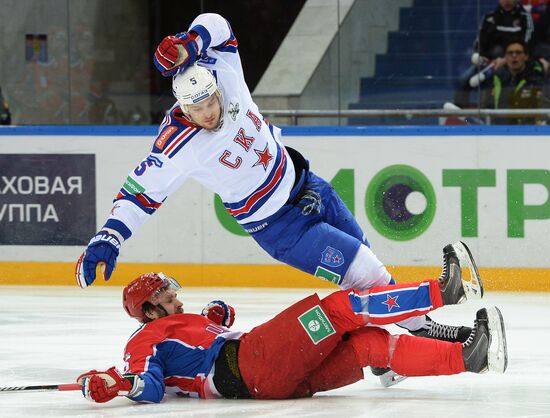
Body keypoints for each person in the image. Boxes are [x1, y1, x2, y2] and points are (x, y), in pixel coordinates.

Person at [75, 12, 479, 356]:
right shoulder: (175, 145)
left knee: (370, 271)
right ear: (182, 106)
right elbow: (140, 194)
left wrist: (189, 44)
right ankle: (431, 330)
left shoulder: (223, 72)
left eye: (212, 101)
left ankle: (389, 347)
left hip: (307, 184)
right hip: (280, 227)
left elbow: (217, 24)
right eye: (197, 109)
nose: (210, 113)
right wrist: (109, 238)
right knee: (368, 272)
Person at [76, 269, 507, 403]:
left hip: (267, 379)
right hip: (251, 360)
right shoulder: (143, 340)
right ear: (147, 311)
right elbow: (148, 384)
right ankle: (441, 292)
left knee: (369, 345)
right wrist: (118, 384)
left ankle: (471, 358)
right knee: (341, 309)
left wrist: (215, 318)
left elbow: (194, 346)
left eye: (175, 296)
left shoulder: (174, 327)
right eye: (168, 300)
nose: (177, 303)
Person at [455, 0, 534, 108]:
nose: (507, 1)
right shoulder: (489, 17)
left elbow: (527, 43)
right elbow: (479, 43)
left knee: (490, 91)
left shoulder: (525, 17)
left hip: (512, 62)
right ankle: (460, 116)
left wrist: (505, 59)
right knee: (463, 81)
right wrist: (480, 57)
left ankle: (488, 118)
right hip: (488, 63)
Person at [482, 40, 546, 124]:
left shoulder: (535, 79)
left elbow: (542, 105)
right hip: (499, 129)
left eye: (518, 52)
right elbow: (487, 106)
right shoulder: (496, 78)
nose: (514, 56)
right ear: (505, 57)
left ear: (526, 56)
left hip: (527, 130)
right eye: (510, 53)